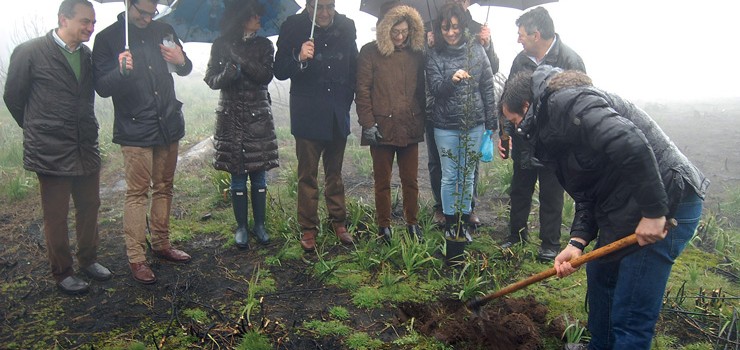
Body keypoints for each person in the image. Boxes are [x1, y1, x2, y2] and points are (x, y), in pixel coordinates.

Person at [499, 66, 709, 349]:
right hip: (631, 204)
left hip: (670, 200)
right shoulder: (552, 129)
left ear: (526, 106)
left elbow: (630, 142)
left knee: (630, 311)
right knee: (601, 274)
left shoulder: (567, 101)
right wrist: (577, 241)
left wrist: (653, 213)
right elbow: (587, 190)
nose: (515, 131)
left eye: (514, 121)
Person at [3, 0, 111, 295]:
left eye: (93, 23)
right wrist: (39, 129)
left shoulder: (87, 56)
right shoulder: (30, 52)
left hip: (84, 144)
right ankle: (63, 272)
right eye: (85, 22)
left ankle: (89, 260)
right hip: (49, 149)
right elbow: (13, 97)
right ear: (63, 19)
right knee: (56, 215)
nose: (90, 28)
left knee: (90, 206)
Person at [93, 0, 193, 284]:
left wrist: (181, 60)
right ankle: (136, 258)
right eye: (142, 12)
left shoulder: (165, 29)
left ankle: (162, 244)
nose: (148, 18)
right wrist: (120, 71)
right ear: (129, 4)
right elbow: (101, 87)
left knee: (165, 187)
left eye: (153, 13)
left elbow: (185, 68)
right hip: (134, 127)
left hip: (168, 122)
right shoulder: (109, 38)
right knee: (137, 193)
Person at [498, 6, 586, 262]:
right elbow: (509, 100)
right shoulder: (520, 60)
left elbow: (582, 103)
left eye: (521, 34)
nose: (518, 39)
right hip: (525, 140)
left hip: (556, 144)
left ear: (536, 35)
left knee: (552, 193)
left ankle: (549, 244)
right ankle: (516, 236)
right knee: (519, 189)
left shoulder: (570, 60)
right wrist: (506, 133)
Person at [274, 0, 357, 251]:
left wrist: (346, 100)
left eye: (329, 7)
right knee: (307, 175)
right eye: (318, 7)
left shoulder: (346, 26)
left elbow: (354, 67)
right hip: (308, 114)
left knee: (335, 173)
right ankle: (308, 228)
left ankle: (338, 222)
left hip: (336, 113)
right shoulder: (293, 27)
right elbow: (279, 70)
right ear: (308, 7)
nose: (324, 13)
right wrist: (298, 57)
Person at [204, 0, 279, 250]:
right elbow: (211, 79)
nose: (259, 19)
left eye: (259, 15)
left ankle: (260, 225)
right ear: (241, 17)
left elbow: (266, 75)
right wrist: (227, 73)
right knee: (237, 177)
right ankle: (241, 227)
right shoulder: (220, 45)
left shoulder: (265, 45)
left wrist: (240, 62)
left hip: (258, 117)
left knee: (259, 175)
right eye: (254, 15)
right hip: (231, 118)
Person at [355, 3, 426, 243]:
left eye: (404, 31)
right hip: (381, 128)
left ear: (411, 29)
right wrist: (368, 123)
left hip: (410, 126)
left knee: (411, 181)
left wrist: (421, 118)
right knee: (382, 181)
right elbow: (362, 90)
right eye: (394, 31)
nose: (399, 36)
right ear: (384, 29)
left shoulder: (417, 54)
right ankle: (383, 226)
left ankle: (412, 223)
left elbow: (423, 91)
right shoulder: (369, 52)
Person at [426, 0, 500, 227]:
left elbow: (488, 85)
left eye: (456, 27)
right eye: (446, 27)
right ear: (439, 28)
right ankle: (450, 221)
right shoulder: (434, 54)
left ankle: (465, 216)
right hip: (444, 125)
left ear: (464, 27)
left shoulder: (476, 50)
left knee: (468, 174)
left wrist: (491, 122)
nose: (451, 32)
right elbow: (436, 87)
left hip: (474, 123)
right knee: (449, 175)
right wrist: (452, 80)